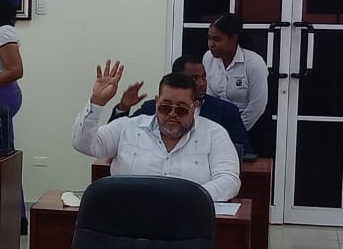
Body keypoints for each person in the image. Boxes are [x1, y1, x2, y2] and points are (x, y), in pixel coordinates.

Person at [72, 62, 241, 201]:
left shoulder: (214, 134)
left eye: (181, 109)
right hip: (129, 218)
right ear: (157, 102)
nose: (172, 114)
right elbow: (83, 145)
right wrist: (97, 102)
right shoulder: (128, 127)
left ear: (194, 106)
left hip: (187, 219)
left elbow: (229, 180)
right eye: (165, 107)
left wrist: (190, 198)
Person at [109, 55, 254, 158]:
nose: (202, 83)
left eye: (204, 77)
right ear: (177, 79)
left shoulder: (226, 111)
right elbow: (117, 139)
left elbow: (244, 151)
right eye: (195, 78)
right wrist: (123, 107)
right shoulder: (153, 107)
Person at [202, 12, 268, 132]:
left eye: (217, 39)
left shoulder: (254, 63)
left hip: (251, 125)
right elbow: (210, 98)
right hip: (219, 124)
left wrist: (235, 130)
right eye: (209, 38)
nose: (211, 44)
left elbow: (257, 106)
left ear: (233, 39)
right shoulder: (208, 58)